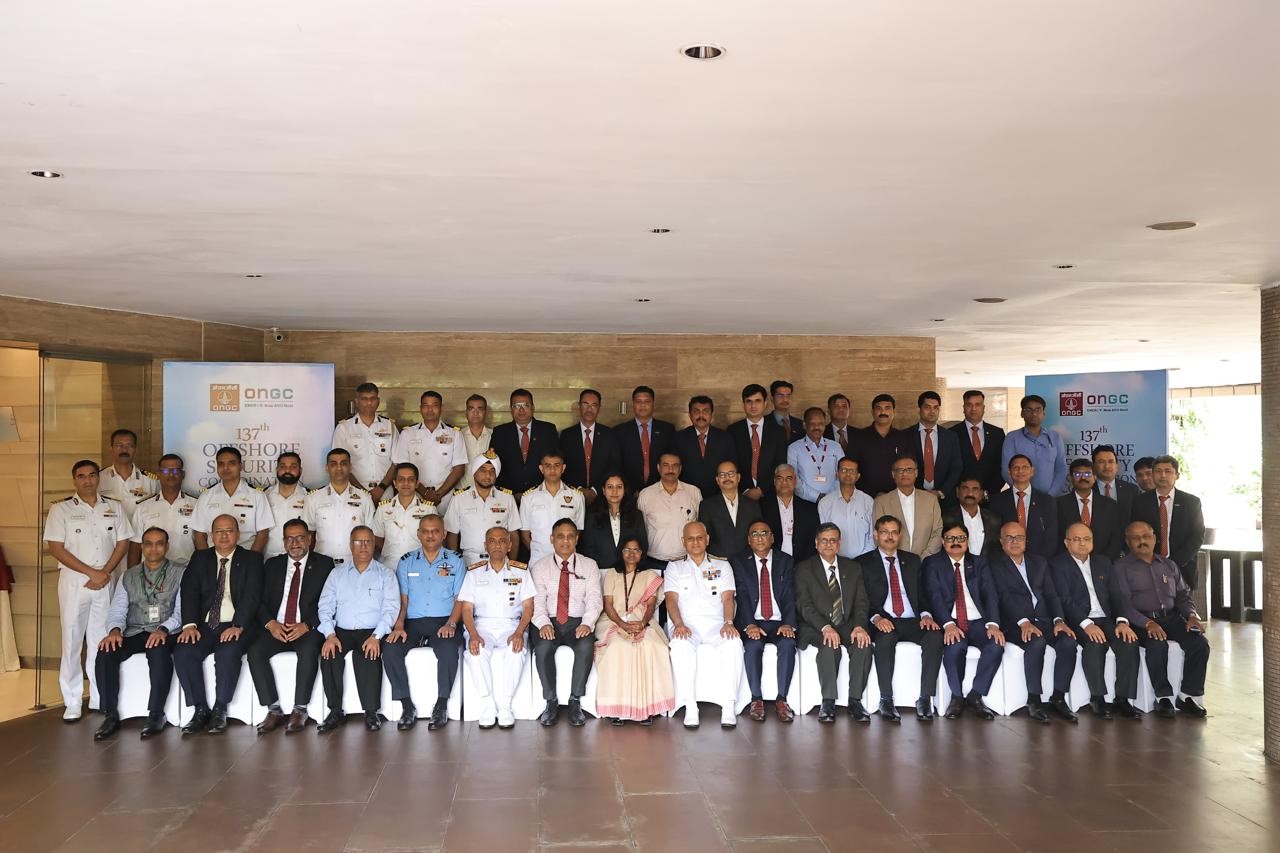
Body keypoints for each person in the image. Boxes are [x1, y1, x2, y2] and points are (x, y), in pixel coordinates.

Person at [44, 460, 133, 721]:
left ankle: (97, 695)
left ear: (98, 478)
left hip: (105, 579)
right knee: (72, 640)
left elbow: (123, 543)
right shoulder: (61, 509)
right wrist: (91, 573)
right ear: (74, 480)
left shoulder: (113, 507)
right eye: (81, 476)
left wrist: (104, 572)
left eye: (92, 475)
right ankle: (72, 700)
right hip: (75, 581)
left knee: (100, 639)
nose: (87, 480)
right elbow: (56, 548)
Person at [174, 515, 263, 734]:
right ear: (211, 536)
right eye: (219, 531)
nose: (224, 536)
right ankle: (200, 709)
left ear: (238, 534)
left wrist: (238, 625)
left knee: (228, 651)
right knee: (184, 651)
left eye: (229, 531)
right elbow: (189, 591)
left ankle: (220, 709)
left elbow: (252, 596)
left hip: (236, 623)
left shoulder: (252, 559)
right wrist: (189, 625)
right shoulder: (200, 558)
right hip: (204, 625)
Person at [92, 526, 183, 740]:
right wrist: (115, 631)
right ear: (142, 547)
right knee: (106, 651)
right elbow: (117, 610)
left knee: (158, 651)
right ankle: (110, 714)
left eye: (159, 544)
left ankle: (156, 714)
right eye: (148, 544)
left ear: (167, 546)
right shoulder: (129, 575)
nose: (153, 548)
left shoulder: (181, 573)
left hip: (166, 632)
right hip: (135, 631)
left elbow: (182, 612)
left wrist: (163, 629)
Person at [1113, 521, 1210, 718]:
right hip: (1141, 621)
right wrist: (1148, 623)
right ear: (1127, 542)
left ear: (1155, 538)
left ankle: (1187, 696)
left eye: (1146, 536)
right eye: (1135, 538)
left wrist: (1192, 616)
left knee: (1200, 644)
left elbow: (1183, 595)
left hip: (1172, 618)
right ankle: (1163, 697)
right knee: (1157, 645)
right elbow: (1123, 604)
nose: (1142, 541)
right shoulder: (1121, 567)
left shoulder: (1168, 564)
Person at [248, 519, 336, 734]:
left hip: (306, 628)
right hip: (276, 627)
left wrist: (307, 625)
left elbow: (331, 603)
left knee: (308, 650)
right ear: (283, 541)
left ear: (309, 539)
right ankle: (273, 709)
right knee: (255, 651)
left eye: (300, 537)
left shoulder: (324, 565)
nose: (295, 543)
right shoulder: (272, 565)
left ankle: (300, 709)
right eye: (290, 538)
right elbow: (257, 600)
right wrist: (271, 624)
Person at [1049, 522, 1141, 720]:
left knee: (1129, 642)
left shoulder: (1104, 562)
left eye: (1087, 539)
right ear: (1066, 542)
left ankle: (1122, 698)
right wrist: (1087, 624)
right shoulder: (1057, 564)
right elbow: (1064, 599)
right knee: (1095, 644)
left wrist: (1122, 621)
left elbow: (1117, 595)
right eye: (1076, 539)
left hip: (1106, 618)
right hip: (1078, 620)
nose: (1082, 543)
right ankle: (1097, 698)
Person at [856, 515, 944, 722]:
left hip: (913, 620)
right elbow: (860, 599)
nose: (889, 536)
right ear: (875, 535)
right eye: (884, 532)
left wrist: (926, 615)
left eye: (894, 532)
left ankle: (925, 698)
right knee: (885, 639)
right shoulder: (862, 563)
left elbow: (923, 594)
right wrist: (876, 618)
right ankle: (886, 699)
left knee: (934, 636)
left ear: (900, 535)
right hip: (884, 619)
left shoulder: (912, 561)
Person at [382, 515, 466, 731]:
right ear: (418, 534)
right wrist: (398, 625)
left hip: (444, 621)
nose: (430, 535)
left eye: (435, 531)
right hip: (413, 623)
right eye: (425, 531)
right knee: (390, 648)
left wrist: (451, 624)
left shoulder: (456, 560)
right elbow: (403, 600)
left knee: (448, 649)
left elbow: (460, 600)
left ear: (444, 534)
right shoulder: (406, 561)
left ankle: (441, 705)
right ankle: (406, 705)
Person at [989, 522, 1078, 724]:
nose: (1014, 542)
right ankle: (1034, 699)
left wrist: (1059, 620)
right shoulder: (994, 564)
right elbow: (1002, 596)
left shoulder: (1039, 562)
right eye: (1009, 538)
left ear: (1026, 540)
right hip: (1014, 623)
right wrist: (1023, 622)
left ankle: (1058, 697)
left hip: (1045, 620)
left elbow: (1052, 594)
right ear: (1001, 541)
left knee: (1068, 642)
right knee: (1036, 642)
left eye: (1019, 537)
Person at [315, 526, 399, 732]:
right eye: (358, 542)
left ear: (374, 545)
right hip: (341, 630)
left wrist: (376, 636)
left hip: (371, 630)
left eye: (368, 541)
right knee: (329, 654)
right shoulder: (337, 574)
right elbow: (325, 606)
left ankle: (371, 712)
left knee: (368, 655)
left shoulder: (385, 574)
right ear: (350, 545)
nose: (363, 546)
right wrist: (330, 635)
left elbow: (391, 608)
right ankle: (335, 711)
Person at [664, 521, 742, 728]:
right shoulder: (674, 567)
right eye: (690, 538)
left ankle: (728, 705)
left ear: (707, 539)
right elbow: (671, 600)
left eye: (700, 537)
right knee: (680, 646)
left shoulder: (722, 565)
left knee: (733, 643)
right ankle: (690, 706)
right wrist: (678, 624)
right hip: (686, 624)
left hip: (716, 624)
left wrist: (728, 622)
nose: (695, 542)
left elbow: (728, 598)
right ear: (683, 541)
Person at [794, 522, 874, 723]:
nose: (828, 544)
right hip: (817, 626)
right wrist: (825, 627)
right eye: (824, 540)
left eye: (833, 540)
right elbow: (804, 604)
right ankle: (828, 702)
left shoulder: (853, 567)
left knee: (863, 644)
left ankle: (855, 701)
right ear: (816, 543)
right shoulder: (804, 568)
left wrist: (859, 626)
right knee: (829, 645)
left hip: (847, 624)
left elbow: (861, 602)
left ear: (839, 544)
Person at [922, 523, 1003, 720]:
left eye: (960, 538)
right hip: (951, 621)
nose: (956, 542)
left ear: (967, 541)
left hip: (978, 621)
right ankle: (957, 697)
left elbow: (990, 594)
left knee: (996, 645)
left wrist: (993, 624)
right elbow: (934, 596)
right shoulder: (933, 563)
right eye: (950, 538)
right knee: (955, 647)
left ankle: (976, 696)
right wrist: (948, 625)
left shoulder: (980, 562)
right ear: (943, 542)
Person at [457, 527, 536, 729]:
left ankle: (506, 705)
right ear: (485, 545)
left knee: (515, 651)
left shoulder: (521, 571)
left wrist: (519, 632)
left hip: (512, 624)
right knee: (475, 652)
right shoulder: (474, 572)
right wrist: (473, 634)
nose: (497, 545)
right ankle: (488, 705)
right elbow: (466, 609)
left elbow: (528, 607)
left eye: (502, 541)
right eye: (492, 541)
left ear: (510, 545)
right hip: (481, 625)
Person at [593, 538, 675, 724]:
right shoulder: (612, 574)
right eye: (627, 550)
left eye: (636, 550)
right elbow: (608, 605)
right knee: (618, 647)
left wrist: (643, 623)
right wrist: (622, 624)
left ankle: (647, 709)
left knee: (652, 646)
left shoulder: (649, 575)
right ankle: (617, 709)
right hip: (613, 621)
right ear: (621, 552)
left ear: (642, 554)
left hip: (642, 621)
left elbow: (651, 605)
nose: (631, 554)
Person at [530, 519, 603, 727]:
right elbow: (537, 601)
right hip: (549, 621)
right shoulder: (540, 567)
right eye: (560, 536)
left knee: (585, 645)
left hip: (578, 621)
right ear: (552, 539)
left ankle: (575, 700)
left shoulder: (589, 565)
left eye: (570, 536)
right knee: (543, 647)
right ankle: (551, 701)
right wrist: (543, 623)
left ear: (577, 539)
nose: (565, 541)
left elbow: (594, 599)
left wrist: (587, 623)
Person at [729, 521, 797, 722]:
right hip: (754, 621)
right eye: (755, 534)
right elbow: (741, 596)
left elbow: (791, 595)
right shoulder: (739, 562)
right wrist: (749, 624)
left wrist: (788, 623)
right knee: (752, 646)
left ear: (772, 538)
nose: (759, 538)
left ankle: (782, 700)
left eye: (764, 533)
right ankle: (756, 699)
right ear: (749, 540)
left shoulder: (786, 560)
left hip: (779, 621)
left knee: (788, 644)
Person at [1129, 455, 1206, 590]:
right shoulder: (1140, 501)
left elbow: (1197, 535)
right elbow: (1135, 534)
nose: (1163, 475)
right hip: (1148, 568)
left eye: (1168, 471)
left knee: (1183, 603)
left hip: (1183, 568)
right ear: (1153, 475)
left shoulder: (1191, 502)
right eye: (1158, 471)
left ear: (1177, 475)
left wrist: (1173, 564)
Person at [390, 391, 467, 512]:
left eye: (434, 405)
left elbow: (459, 469)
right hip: (415, 496)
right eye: (426, 405)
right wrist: (425, 493)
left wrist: (438, 495)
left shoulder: (455, 434)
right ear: (420, 409)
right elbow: (402, 468)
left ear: (441, 408)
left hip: (445, 499)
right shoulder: (408, 434)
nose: (430, 410)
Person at [444, 451, 522, 565]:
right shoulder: (459, 499)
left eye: (492, 471)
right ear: (474, 472)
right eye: (483, 470)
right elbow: (452, 535)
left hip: (501, 561)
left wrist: (512, 564)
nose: (488, 475)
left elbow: (514, 534)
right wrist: (454, 565)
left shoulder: (507, 498)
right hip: (469, 561)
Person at [191, 446, 274, 552]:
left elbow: (263, 533)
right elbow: (199, 534)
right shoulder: (206, 496)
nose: (226, 468)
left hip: (246, 556)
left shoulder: (257, 496)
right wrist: (206, 559)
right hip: (214, 558)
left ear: (240, 466)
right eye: (221, 464)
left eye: (231, 463)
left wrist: (251, 559)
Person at [303, 448, 375, 564]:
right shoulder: (313, 498)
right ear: (327, 468)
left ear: (350, 467)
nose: (339, 468)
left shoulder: (365, 498)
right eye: (333, 464)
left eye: (344, 463)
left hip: (354, 563)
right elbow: (308, 535)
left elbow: (371, 535)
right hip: (322, 564)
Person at [332, 382, 398, 501]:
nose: (369, 403)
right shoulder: (344, 428)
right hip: (354, 491)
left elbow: (396, 462)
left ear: (378, 401)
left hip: (384, 491)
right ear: (357, 401)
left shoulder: (390, 426)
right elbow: (340, 463)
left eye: (372, 399)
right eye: (364, 399)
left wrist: (381, 488)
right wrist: (362, 491)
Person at [636, 453, 702, 570]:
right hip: (654, 564)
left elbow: (701, 526)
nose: (670, 469)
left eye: (675, 465)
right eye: (666, 465)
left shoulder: (693, 492)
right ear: (658, 467)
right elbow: (640, 529)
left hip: (687, 562)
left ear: (680, 468)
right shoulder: (646, 495)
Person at [129, 453, 197, 567]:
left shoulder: (196, 505)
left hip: (187, 570)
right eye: (165, 471)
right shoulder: (144, 507)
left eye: (176, 471)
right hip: (151, 572)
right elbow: (135, 546)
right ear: (158, 474)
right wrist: (132, 574)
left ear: (183, 474)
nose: (171, 474)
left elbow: (201, 542)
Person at [520, 450, 586, 567]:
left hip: (567, 561)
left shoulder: (577, 496)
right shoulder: (528, 498)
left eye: (557, 465)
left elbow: (578, 530)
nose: (552, 469)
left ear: (563, 468)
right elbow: (525, 534)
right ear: (541, 468)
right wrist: (539, 551)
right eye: (548, 465)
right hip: (538, 561)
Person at [490, 388, 559, 496]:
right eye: (516, 406)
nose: (521, 410)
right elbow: (493, 466)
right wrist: (511, 495)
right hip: (509, 496)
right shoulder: (500, 432)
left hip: (542, 495)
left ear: (533, 407)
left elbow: (557, 462)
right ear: (511, 409)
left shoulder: (548, 430)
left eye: (526, 405)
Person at [872, 456, 943, 558]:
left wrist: (924, 558)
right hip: (894, 562)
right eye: (900, 470)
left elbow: (938, 531)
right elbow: (879, 535)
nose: (905, 473)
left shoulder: (931, 500)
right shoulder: (881, 502)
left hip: (926, 561)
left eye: (909, 469)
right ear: (893, 474)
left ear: (916, 473)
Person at [372, 462, 440, 567]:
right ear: (395, 483)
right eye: (401, 479)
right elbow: (377, 540)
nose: (406, 483)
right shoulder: (383, 509)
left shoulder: (429, 509)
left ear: (417, 483)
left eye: (411, 479)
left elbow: (435, 541)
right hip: (390, 567)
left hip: (419, 566)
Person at [990, 455, 1058, 559]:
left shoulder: (1046, 501)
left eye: (1025, 467)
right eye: (1016, 467)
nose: (1020, 471)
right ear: (1009, 472)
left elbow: (1051, 537)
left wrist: (1041, 562)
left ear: (1032, 471)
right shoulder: (996, 501)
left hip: (1040, 560)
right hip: (1006, 560)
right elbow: (994, 536)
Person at [559, 388, 620, 504]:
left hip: (602, 497)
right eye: (585, 404)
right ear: (579, 406)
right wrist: (578, 488)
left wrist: (595, 490)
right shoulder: (567, 435)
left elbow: (614, 465)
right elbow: (563, 466)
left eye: (594, 405)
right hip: (572, 497)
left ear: (599, 408)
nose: (589, 409)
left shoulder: (609, 435)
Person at [728, 383, 788, 500]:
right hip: (741, 495)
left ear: (765, 404)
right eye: (749, 401)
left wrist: (762, 489)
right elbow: (731, 463)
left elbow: (780, 464)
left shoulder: (778, 432)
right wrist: (745, 490)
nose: (753, 405)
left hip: (770, 493)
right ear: (743, 404)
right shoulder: (733, 431)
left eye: (758, 401)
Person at [1001, 395, 1068, 496]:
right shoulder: (1012, 438)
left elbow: (1061, 468)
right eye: (1029, 410)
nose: (1034, 413)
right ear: (1022, 413)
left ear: (1043, 413)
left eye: (1038, 410)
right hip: (1022, 497)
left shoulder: (1055, 437)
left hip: (1051, 498)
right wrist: (1024, 493)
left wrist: (1051, 495)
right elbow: (1006, 470)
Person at [580, 474, 649, 571]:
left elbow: (643, 546)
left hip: (629, 572)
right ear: (603, 490)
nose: (614, 491)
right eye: (610, 487)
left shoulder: (636, 516)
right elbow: (588, 549)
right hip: (600, 571)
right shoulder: (592, 516)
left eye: (619, 487)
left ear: (624, 490)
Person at [1056, 458, 1121, 559]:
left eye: (1087, 474)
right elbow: (1056, 538)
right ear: (1071, 478)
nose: (1083, 477)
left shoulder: (1110, 505)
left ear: (1095, 477)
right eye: (1078, 474)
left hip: (1104, 562)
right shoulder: (1058, 504)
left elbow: (1116, 539)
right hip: (1068, 562)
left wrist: (1103, 561)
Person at [616, 385, 676, 494]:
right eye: (638, 401)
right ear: (633, 404)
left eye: (647, 401)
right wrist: (628, 489)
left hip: (660, 491)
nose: (642, 405)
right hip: (628, 493)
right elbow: (616, 464)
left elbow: (672, 462)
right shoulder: (619, 431)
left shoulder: (667, 430)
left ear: (653, 404)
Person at [906, 391, 961, 508]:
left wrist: (941, 492)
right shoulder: (906, 435)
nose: (932, 411)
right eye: (927, 407)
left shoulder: (951, 437)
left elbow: (956, 467)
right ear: (919, 409)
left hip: (944, 499)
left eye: (936, 407)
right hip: (913, 497)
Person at [672, 395, 734, 498]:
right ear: (690, 415)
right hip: (686, 496)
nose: (701, 415)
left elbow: (732, 467)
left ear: (711, 415)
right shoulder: (678, 438)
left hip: (718, 496)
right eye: (696, 411)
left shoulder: (725, 438)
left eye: (705, 411)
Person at [699, 460, 763, 559]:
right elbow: (703, 537)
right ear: (717, 480)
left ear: (738, 477)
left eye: (731, 473)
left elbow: (758, 533)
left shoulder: (752, 505)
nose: (727, 478)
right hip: (719, 561)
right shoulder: (707, 506)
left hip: (747, 561)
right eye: (722, 475)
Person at [849, 393, 908, 498]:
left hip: (897, 497)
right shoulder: (859, 437)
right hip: (865, 498)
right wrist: (873, 494)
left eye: (887, 408)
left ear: (893, 412)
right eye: (878, 408)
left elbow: (908, 469)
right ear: (872, 412)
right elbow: (852, 469)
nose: (883, 412)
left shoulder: (903, 438)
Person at [950, 390, 1005, 500]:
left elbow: (1002, 466)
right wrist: (961, 492)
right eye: (969, 405)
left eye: (977, 405)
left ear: (984, 408)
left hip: (991, 498)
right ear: (963, 408)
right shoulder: (951, 434)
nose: (973, 409)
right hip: (959, 499)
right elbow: (949, 468)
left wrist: (987, 493)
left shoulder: (997, 434)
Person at [817, 457, 874, 559]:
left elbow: (873, 536)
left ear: (858, 476)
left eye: (852, 471)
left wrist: (863, 559)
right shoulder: (825, 503)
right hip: (834, 561)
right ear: (837, 474)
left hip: (864, 561)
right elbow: (823, 536)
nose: (848, 474)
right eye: (844, 470)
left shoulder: (868, 502)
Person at [98, 428, 158, 523]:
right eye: (119, 445)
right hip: (110, 531)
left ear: (135, 449)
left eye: (129, 445)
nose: (124, 450)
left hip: (141, 531)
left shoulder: (151, 481)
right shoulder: (98, 479)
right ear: (111, 448)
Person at [760, 464, 818, 562]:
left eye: (789, 478)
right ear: (774, 481)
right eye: (780, 478)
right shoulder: (761, 507)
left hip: (802, 565)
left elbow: (813, 540)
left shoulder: (810, 509)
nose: (784, 482)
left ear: (795, 481)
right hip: (771, 563)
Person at [788, 407, 842, 503]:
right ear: (805, 425)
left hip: (834, 501)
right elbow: (793, 478)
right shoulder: (794, 448)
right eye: (812, 424)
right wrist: (816, 497)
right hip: (805, 502)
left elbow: (842, 474)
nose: (817, 427)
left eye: (820, 424)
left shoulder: (835, 447)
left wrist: (830, 497)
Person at [263, 451, 308, 560]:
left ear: (300, 470)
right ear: (277, 470)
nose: (287, 470)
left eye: (293, 466)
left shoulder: (309, 497)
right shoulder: (264, 495)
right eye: (283, 466)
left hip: (299, 559)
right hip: (268, 559)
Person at [949, 477, 1001, 558]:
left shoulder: (994, 519)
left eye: (975, 489)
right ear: (957, 492)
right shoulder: (945, 518)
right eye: (965, 489)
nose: (970, 493)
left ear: (981, 494)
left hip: (987, 565)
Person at [1091, 444, 1140, 527]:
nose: (1107, 466)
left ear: (1117, 465)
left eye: (1111, 461)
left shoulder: (1131, 490)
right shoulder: (1086, 489)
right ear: (1093, 466)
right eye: (1101, 462)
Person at [458, 394, 494, 490]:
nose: (475, 413)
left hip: (489, 491)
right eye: (471, 409)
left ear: (485, 412)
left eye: (480, 409)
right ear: (466, 412)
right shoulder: (457, 436)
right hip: (462, 492)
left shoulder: (495, 436)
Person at [769, 380, 805, 444]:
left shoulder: (800, 424)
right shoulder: (763, 422)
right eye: (780, 395)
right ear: (772, 398)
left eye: (788, 395)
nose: (785, 399)